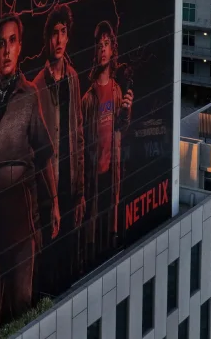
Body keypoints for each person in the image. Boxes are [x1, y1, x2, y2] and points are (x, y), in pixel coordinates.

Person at [0, 15, 58, 335]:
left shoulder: (29, 95)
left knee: (21, 314)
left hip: (19, 226)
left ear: (20, 47)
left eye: (12, 41)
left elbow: (44, 154)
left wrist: (54, 203)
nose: (6, 50)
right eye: (0, 44)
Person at [33, 4, 85, 294]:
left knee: (69, 263)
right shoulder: (37, 87)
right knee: (48, 265)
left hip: (70, 186)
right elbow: (36, 149)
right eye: (54, 33)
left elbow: (79, 136)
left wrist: (81, 191)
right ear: (47, 38)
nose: (59, 39)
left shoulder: (73, 78)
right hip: (47, 191)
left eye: (63, 32)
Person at [80, 21, 133, 267]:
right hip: (92, 174)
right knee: (91, 226)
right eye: (99, 45)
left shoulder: (117, 91)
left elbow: (122, 127)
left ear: (112, 50)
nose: (103, 49)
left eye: (106, 44)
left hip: (112, 173)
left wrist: (127, 111)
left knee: (109, 224)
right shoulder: (88, 98)